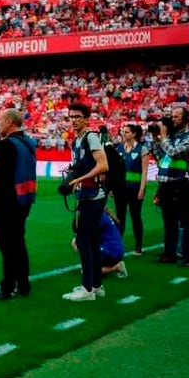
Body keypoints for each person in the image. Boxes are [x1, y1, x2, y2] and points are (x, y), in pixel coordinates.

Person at [0, 108, 37, 300]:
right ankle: (23, 284)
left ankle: (7, 287)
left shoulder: (8, 145)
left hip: (7, 202)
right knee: (18, 243)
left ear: (9, 122)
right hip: (23, 199)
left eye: (0, 120)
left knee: (8, 246)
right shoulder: (27, 143)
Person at [61, 103, 109, 302]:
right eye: (71, 116)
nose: (74, 120)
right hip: (88, 193)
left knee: (83, 240)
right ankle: (96, 285)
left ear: (87, 118)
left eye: (78, 116)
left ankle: (87, 289)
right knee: (91, 240)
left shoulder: (90, 137)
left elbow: (103, 165)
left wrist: (80, 179)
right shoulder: (77, 140)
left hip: (93, 194)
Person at [149, 107, 189, 267]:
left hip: (180, 182)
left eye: (177, 116)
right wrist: (156, 138)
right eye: (173, 116)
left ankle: (187, 256)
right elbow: (159, 155)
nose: (173, 119)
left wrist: (163, 137)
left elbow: (174, 152)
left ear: (186, 119)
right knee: (169, 221)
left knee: (185, 221)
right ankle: (169, 254)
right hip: (165, 183)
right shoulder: (172, 136)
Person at [114, 124, 148, 255]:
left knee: (135, 216)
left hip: (135, 189)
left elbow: (145, 171)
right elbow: (116, 171)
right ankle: (117, 246)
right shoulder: (118, 149)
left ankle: (138, 246)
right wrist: (113, 187)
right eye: (123, 132)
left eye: (126, 132)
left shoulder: (142, 149)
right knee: (119, 218)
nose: (123, 134)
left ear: (134, 134)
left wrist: (142, 188)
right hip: (121, 190)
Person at [71, 208, 127, 278]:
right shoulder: (103, 214)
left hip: (111, 252)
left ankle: (116, 267)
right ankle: (94, 264)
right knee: (81, 241)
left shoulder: (97, 217)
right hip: (116, 251)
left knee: (88, 271)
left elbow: (88, 236)